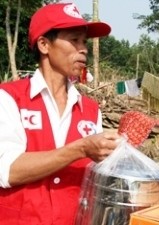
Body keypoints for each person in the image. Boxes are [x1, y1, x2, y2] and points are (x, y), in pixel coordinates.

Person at [0, 3, 120, 225]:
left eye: (84, 42)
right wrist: (81, 148)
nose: (83, 49)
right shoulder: (9, 99)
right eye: (74, 40)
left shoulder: (91, 110)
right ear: (44, 45)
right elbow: (8, 170)